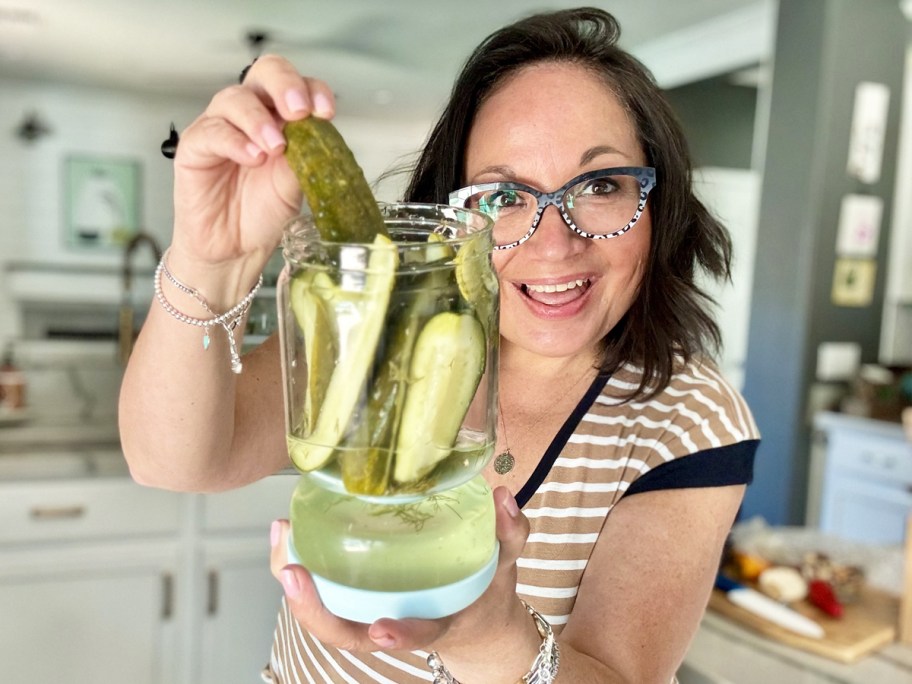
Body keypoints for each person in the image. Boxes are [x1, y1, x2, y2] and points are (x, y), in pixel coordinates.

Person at [119, 7, 759, 683]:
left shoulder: (690, 424)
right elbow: (174, 461)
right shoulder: (379, 324)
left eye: (601, 185)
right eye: (505, 194)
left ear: (660, 204)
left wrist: (492, 640)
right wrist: (210, 257)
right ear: (457, 215)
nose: (553, 242)